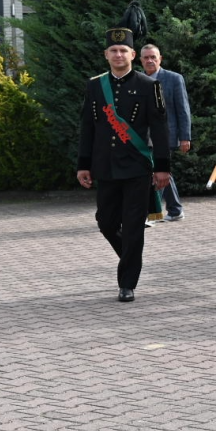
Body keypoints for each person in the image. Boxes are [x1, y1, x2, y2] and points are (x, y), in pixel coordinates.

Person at [77, 26, 171, 303]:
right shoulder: (95, 86)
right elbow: (87, 127)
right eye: (113, 51)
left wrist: (163, 167)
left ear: (133, 54)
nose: (118, 55)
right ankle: (132, 257)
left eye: (123, 50)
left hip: (136, 167)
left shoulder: (149, 86)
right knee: (106, 222)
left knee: (132, 226)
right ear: (106, 55)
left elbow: (160, 128)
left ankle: (127, 282)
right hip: (105, 167)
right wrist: (84, 165)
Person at [139, 44, 191, 222]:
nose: (150, 60)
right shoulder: (137, 80)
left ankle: (152, 212)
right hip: (144, 136)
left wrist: (185, 137)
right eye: (146, 57)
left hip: (167, 134)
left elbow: (183, 109)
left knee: (158, 169)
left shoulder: (174, 78)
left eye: (153, 57)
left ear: (160, 58)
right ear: (141, 60)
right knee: (160, 169)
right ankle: (175, 210)